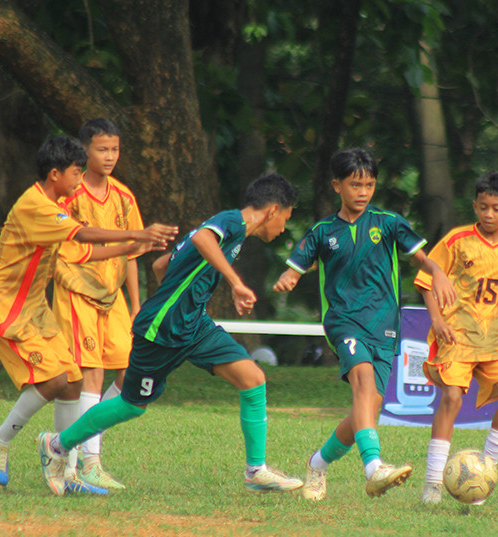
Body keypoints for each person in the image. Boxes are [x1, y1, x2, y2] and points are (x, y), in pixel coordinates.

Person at [36, 174, 304, 496]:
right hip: (161, 329)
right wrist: (234, 283)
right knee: (132, 405)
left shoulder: (233, 232)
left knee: (253, 378)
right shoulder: (232, 222)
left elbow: (162, 264)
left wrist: (184, 299)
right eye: (286, 218)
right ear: (273, 210)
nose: (283, 228)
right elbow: (203, 239)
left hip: (194, 325)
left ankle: (255, 471)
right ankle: (56, 445)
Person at [0, 136, 177, 495]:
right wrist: (137, 232)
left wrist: (132, 246)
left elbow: (82, 253)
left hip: (34, 307)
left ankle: (67, 471)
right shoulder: (37, 206)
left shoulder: (55, 205)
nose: (79, 179)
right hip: (7, 307)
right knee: (55, 380)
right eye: (75, 172)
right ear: (55, 174)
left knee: (72, 380)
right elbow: (84, 234)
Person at [274, 148, 456, 501]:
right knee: (362, 379)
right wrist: (288, 278)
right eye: (355, 185)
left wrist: (438, 273)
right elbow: (296, 266)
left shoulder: (388, 223)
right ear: (337, 186)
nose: (362, 192)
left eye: (369, 185)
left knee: (366, 410)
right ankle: (374, 468)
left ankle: (317, 464)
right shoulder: (323, 231)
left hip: (384, 326)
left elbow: (423, 259)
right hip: (343, 321)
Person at [415, 172, 498, 504]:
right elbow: (426, 279)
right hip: (457, 335)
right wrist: (437, 321)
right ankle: (433, 483)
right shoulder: (457, 241)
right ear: (475, 206)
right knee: (451, 397)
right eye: (483, 207)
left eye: (496, 208)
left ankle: (485, 471)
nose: (489, 214)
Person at [52, 119, 145, 490]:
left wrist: (136, 304)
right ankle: (88, 463)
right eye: (102, 149)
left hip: (113, 296)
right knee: (91, 373)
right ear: (85, 151)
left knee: (130, 372)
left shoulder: (124, 196)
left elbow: (132, 253)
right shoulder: (70, 196)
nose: (110, 156)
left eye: (115, 149)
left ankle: (76, 446)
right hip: (78, 293)